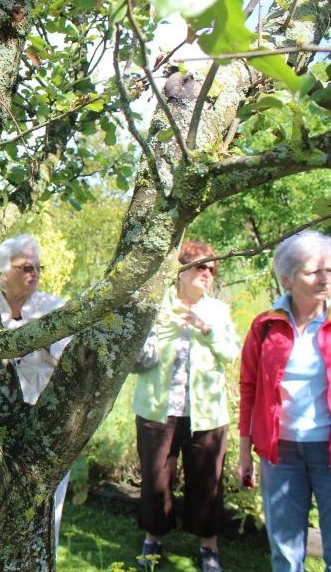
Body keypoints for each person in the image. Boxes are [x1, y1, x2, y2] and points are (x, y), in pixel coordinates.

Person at [132, 241, 240, 572]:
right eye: (201, 267)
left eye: (212, 269)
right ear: (181, 270)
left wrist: (205, 330)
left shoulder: (218, 311)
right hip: (157, 410)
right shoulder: (155, 305)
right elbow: (136, 359)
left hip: (206, 413)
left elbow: (230, 353)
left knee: (207, 481)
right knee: (156, 480)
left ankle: (209, 548)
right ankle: (153, 541)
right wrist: (166, 328)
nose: (207, 274)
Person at [237, 230, 331, 572]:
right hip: (281, 453)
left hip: (329, 450)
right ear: (288, 279)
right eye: (314, 271)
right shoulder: (264, 326)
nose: (325, 279)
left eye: (329, 271)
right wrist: (245, 450)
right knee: (285, 552)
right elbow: (248, 388)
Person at [0, 234, 71, 548]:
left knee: (48, 508)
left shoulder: (54, 309)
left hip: (47, 425)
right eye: (25, 267)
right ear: (2, 273)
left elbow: (71, 357)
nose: (34, 273)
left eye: (38, 267)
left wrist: (46, 342)